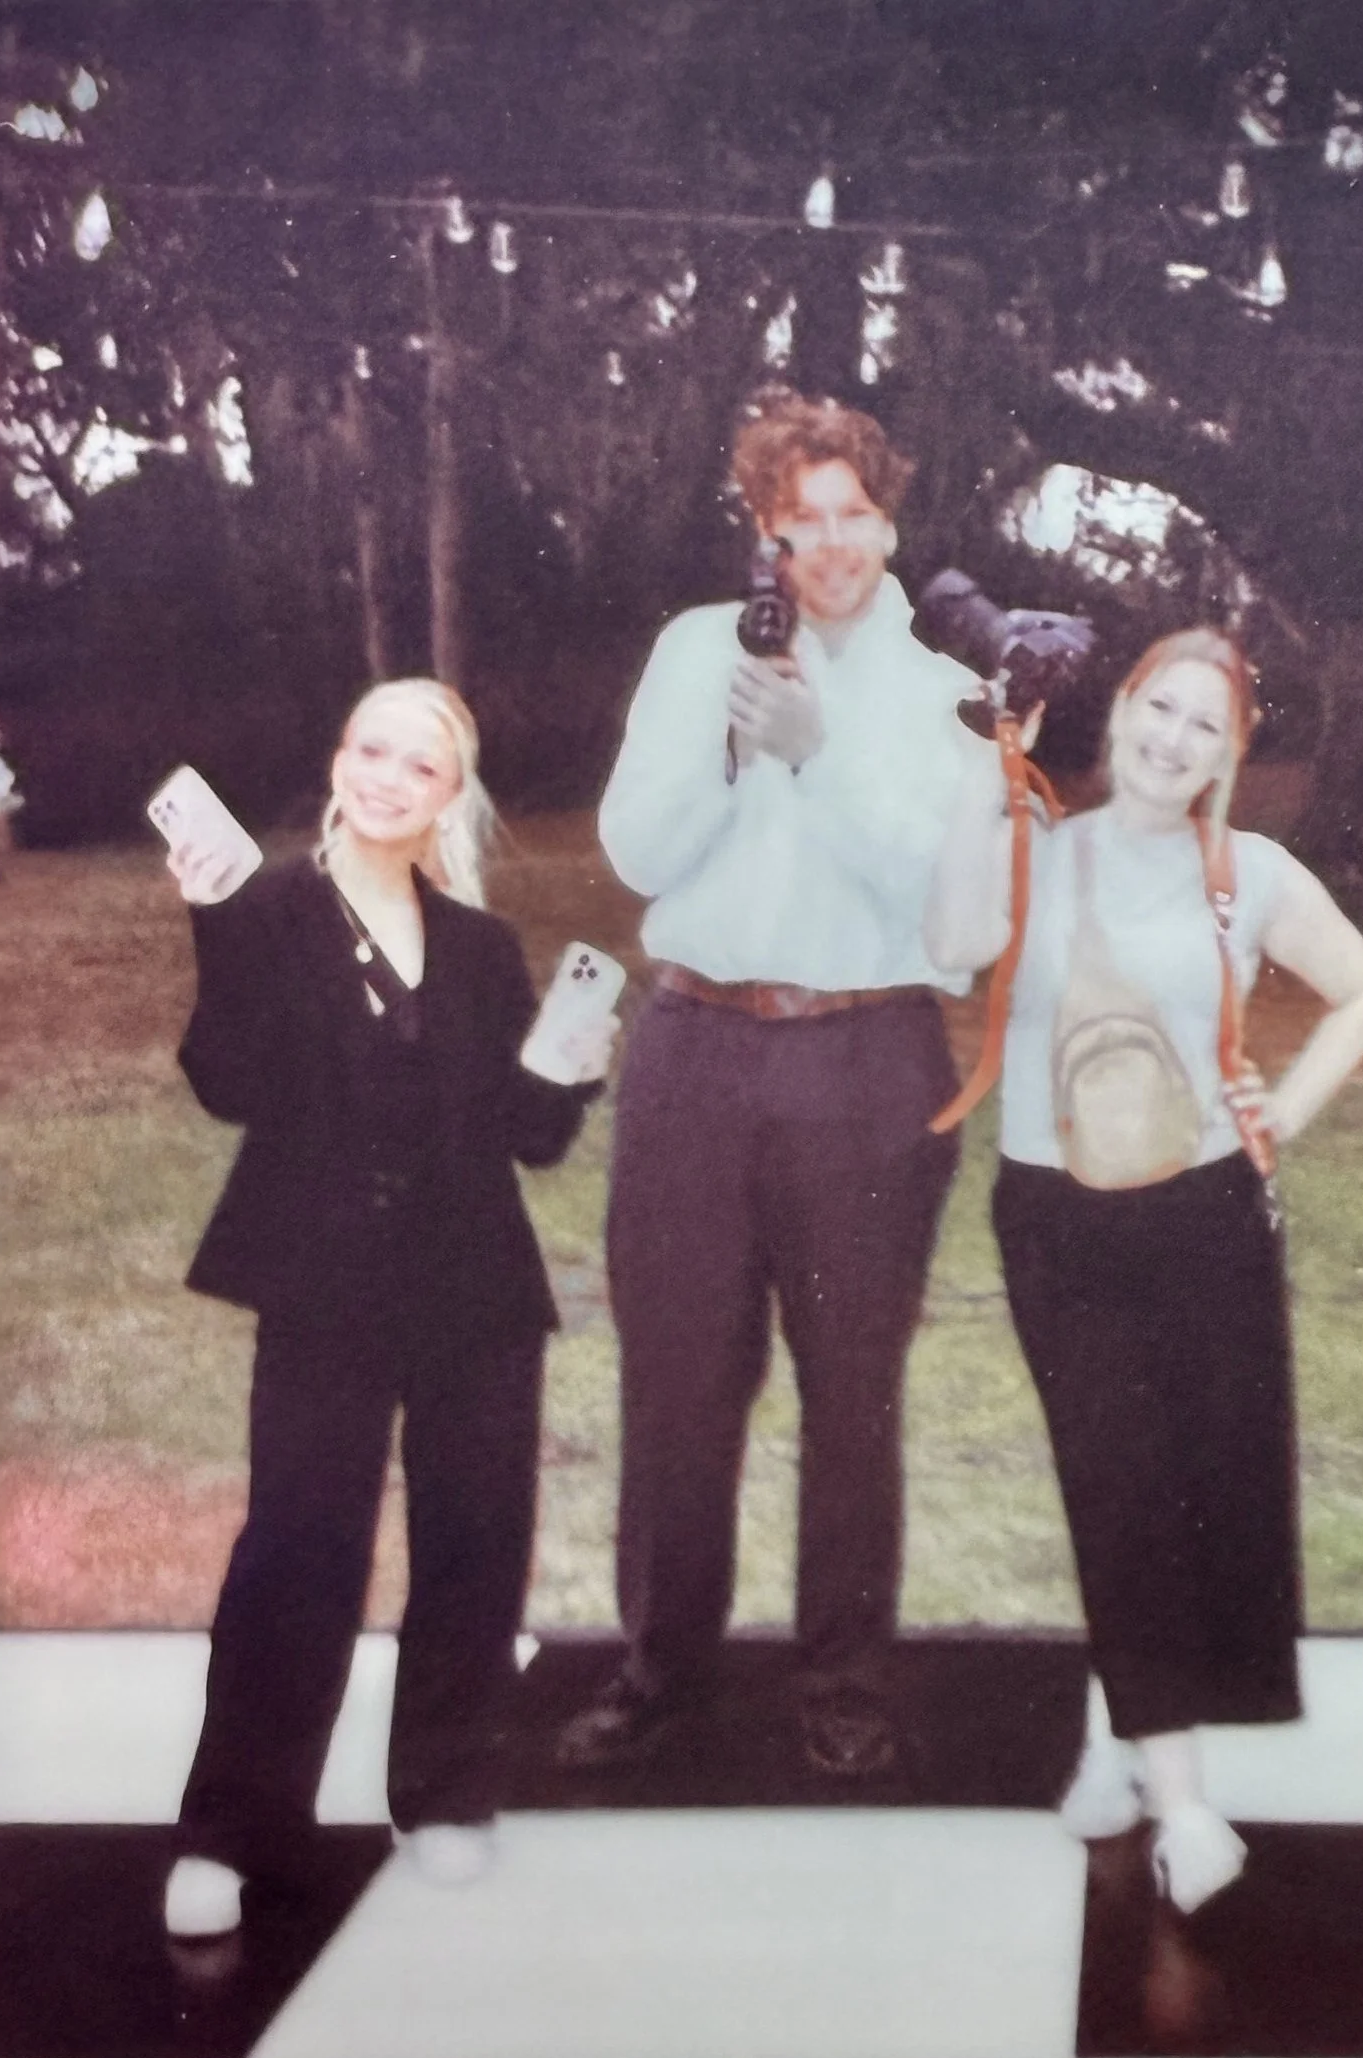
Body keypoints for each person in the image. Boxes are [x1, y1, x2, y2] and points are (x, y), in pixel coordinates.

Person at [925, 629, 1363, 1912]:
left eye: (1207, 726)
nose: (1173, 738)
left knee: (1194, 1491)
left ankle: (1119, 1726)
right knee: (1117, 1473)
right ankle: (1188, 1806)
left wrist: (1282, 1112)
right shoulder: (1039, 846)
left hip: (1206, 1215)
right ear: (1121, 707)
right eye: (1159, 708)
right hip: (1059, 1217)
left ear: (1228, 757)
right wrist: (992, 771)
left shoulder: (1252, 874)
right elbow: (955, 942)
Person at [558, 391, 991, 1780]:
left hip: (869, 1053)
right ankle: (660, 1663)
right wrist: (737, 751)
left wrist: (820, 757)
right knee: (679, 1382)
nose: (830, 545)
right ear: (764, 531)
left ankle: (845, 1681)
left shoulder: (943, 689)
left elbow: (938, 902)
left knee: (852, 1391)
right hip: (692, 1051)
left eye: (853, 516)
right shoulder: (699, 651)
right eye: (798, 522)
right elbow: (635, 853)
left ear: (891, 519)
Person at [161, 680, 616, 1939]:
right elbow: (229, 1079)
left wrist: (570, 1066)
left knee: (477, 1538)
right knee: (298, 1545)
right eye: (371, 748)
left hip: (474, 1283)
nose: (388, 777)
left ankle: (448, 1790)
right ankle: (232, 1823)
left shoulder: (476, 946)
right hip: (319, 1278)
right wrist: (210, 920)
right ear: (337, 758)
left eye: (420, 765)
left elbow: (530, 1135)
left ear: (448, 795)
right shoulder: (268, 908)